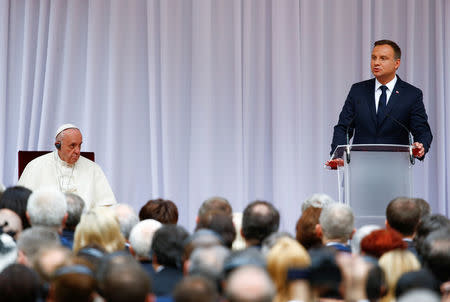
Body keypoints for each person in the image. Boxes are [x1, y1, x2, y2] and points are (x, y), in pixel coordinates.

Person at [327, 40, 432, 167]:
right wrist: (339, 155)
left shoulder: (411, 94)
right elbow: (343, 128)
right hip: (360, 168)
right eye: (373, 58)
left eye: (383, 58)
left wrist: (420, 145)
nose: (376, 62)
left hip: (395, 169)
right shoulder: (358, 91)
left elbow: (422, 131)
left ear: (396, 63)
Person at [18, 123, 117, 209]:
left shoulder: (93, 168)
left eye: (79, 145)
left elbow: (106, 205)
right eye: (72, 146)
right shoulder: (36, 165)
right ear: (58, 145)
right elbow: (20, 202)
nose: (78, 151)